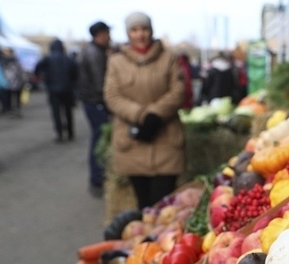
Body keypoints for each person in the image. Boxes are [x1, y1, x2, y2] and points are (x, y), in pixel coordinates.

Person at [104, 11, 186, 210]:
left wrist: (156, 114)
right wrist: (140, 115)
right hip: (133, 141)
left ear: (151, 31)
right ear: (128, 34)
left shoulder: (168, 58)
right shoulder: (116, 62)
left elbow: (178, 90)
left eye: (144, 29)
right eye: (134, 30)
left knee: (165, 204)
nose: (140, 34)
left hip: (166, 139)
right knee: (144, 204)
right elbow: (112, 96)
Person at [78, 21, 112, 198]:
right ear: (100, 34)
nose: (110, 37)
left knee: (98, 137)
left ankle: (98, 176)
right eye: (107, 33)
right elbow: (101, 82)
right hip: (95, 101)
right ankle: (97, 178)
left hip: (91, 100)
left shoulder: (92, 51)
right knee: (98, 139)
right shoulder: (94, 53)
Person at [35, 39, 78, 142]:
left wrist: (44, 77)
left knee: (56, 113)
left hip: (53, 89)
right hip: (67, 89)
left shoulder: (48, 58)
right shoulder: (68, 59)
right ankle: (70, 132)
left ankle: (59, 133)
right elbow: (76, 73)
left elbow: (37, 69)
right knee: (68, 111)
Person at [0, 47, 25, 117]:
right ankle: (10, 110)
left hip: (17, 81)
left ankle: (17, 110)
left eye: (7, 51)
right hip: (6, 82)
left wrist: (22, 80)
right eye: (5, 51)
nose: (6, 53)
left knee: (17, 97)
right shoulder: (2, 61)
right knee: (8, 97)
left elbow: (20, 71)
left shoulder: (15, 60)